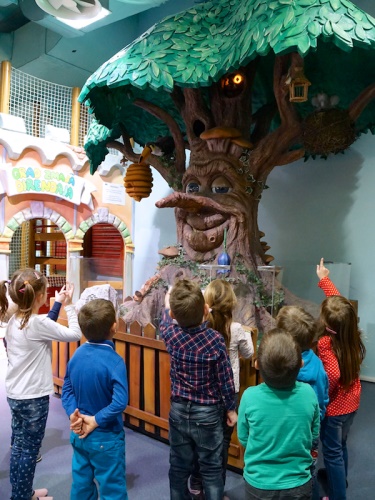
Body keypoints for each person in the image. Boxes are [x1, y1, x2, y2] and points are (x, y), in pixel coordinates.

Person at [0, 268, 81, 500]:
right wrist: (69, 305)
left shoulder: (15, 320)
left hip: (15, 395)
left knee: (18, 447)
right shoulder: (36, 324)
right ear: (39, 297)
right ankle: (22, 497)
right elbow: (74, 333)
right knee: (29, 450)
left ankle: (23, 492)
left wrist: (57, 303)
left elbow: (44, 324)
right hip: (34, 398)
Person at [160, 279, 237, 500]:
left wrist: (168, 303)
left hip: (178, 411)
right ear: (206, 310)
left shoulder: (171, 336)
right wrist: (231, 409)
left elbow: (166, 319)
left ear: (174, 315)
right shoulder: (215, 340)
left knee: (178, 467)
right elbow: (225, 379)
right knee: (211, 469)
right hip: (209, 414)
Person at [190, 279, 254, 499]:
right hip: (228, 394)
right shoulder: (235, 329)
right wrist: (244, 332)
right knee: (222, 444)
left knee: (202, 439)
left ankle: (197, 483)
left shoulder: (200, 327)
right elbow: (249, 353)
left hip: (204, 390)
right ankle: (216, 490)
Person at [238, 328, 320, 500]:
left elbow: (243, 437)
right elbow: (313, 434)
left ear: (257, 365)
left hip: (258, 484)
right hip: (299, 483)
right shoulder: (308, 394)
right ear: (301, 364)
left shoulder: (249, 397)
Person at [61, 298, 129, 500]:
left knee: (81, 485)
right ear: (114, 327)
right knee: (112, 489)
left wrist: (74, 415)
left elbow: (67, 389)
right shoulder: (115, 362)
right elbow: (119, 402)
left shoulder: (77, 354)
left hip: (79, 433)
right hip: (106, 437)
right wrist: (96, 420)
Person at [316, 258, 366, 500]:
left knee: (332, 452)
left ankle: (337, 496)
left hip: (335, 409)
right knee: (341, 445)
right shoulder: (352, 333)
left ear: (328, 326)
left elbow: (333, 374)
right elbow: (340, 306)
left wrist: (324, 396)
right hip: (353, 403)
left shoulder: (326, 343)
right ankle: (340, 482)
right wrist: (324, 279)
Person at [276, 304, 329, 489]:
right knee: (307, 470)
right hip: (308, 430)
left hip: (282, 428)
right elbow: (322, 402)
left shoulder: (279, 367)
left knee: (281, 466)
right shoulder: (319, 367)